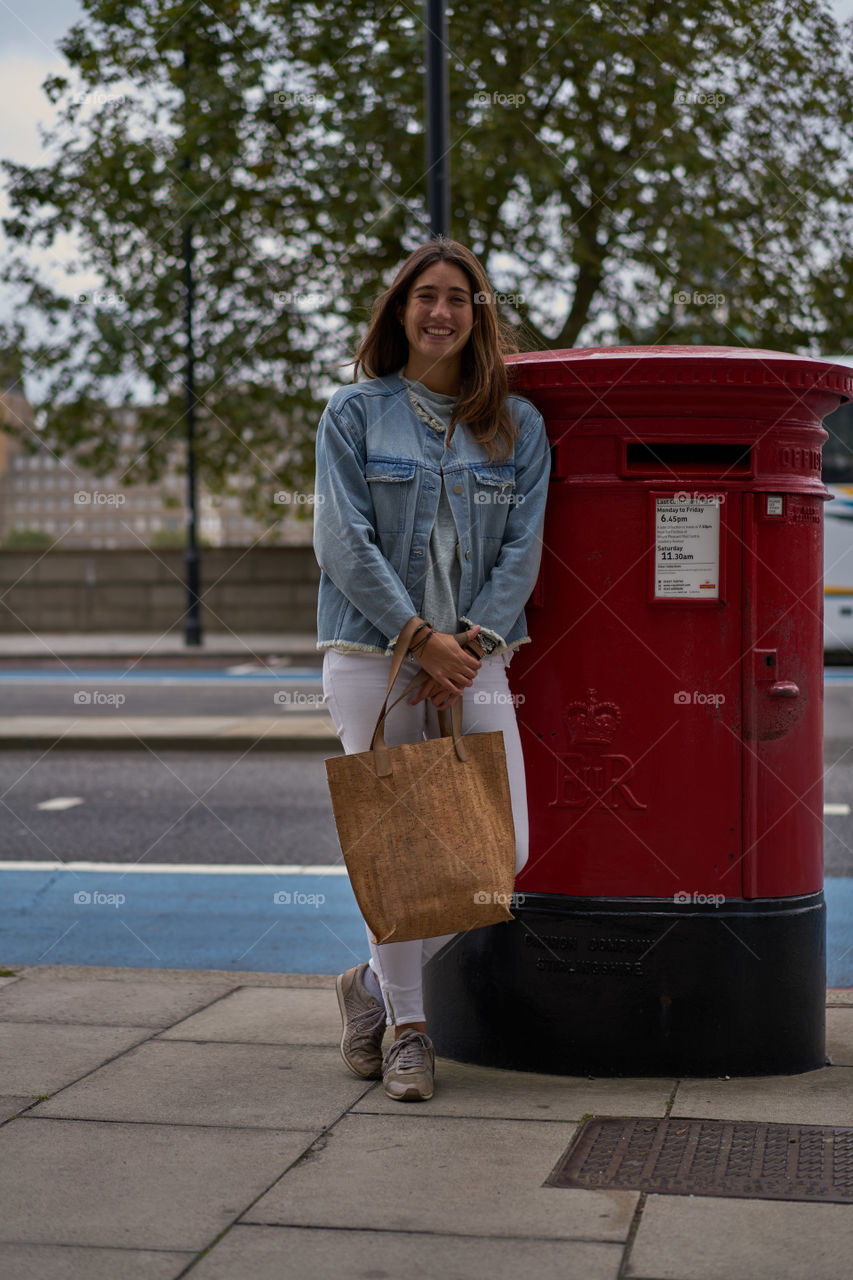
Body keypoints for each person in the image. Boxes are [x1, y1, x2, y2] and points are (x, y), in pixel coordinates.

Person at [313, 236, 550, 1102]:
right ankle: (410, 1031)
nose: (441, 311)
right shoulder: (352, 413)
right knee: (397, 846)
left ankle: (367, 987)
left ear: (476, 315)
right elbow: (342, 542)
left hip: (474, 660)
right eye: (425, 297)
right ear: (399, 311)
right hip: (374, 655)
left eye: (458, 297)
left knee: (500, 853)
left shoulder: (516, 425)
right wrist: (419, 638)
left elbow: (524, 547)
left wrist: (470, 647)